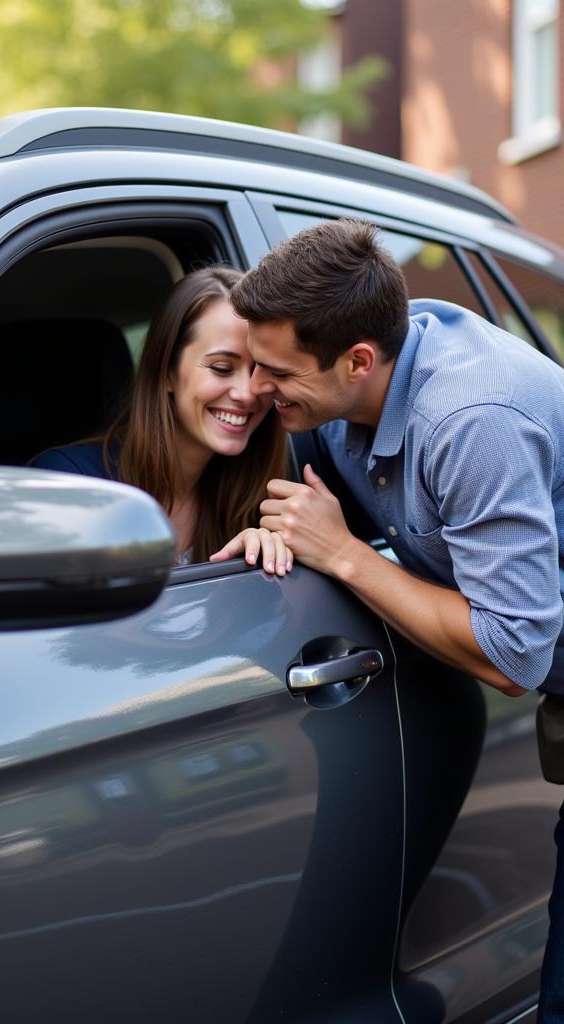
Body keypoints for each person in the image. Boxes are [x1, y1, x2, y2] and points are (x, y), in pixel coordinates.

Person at [211, 217, 564, 1020]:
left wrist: (343, 555)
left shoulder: (472, 419)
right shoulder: (332, 400)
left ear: (359, 361)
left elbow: (514, 656)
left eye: (274, 371)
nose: (257, 390)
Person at [33, 265, 291, 568]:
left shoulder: (259, 502)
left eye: (262, 370)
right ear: (166, 371)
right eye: (222, 368)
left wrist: (253, 569)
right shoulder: (70, 485)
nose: (247, 393)